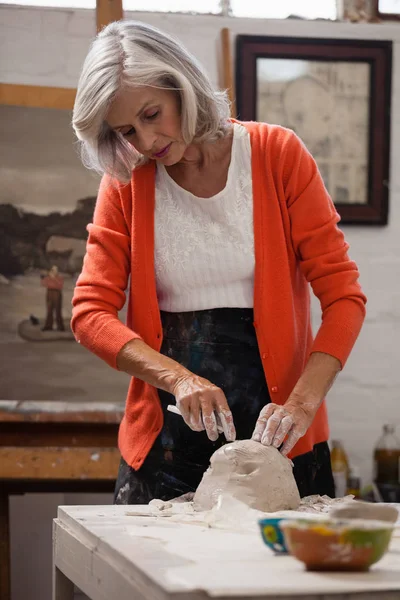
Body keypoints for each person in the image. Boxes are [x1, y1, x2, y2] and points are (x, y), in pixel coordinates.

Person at [71, 21, 366, 504]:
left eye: (152, 114)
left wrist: (302, 404)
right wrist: (180, 379)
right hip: (165, 446)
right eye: (127, 130)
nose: (145, 142)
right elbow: (89, 316)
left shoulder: (277, 155)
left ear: (181, 85)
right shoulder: (127, 181)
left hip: (281, 436)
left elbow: (345, 298)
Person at [41, 265, 65, 331]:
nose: (55, 271)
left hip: (57, 295)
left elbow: (60, 286)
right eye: (53, 270)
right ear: (51, 270)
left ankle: (60, 327)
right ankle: (48, 326)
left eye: (56, 270)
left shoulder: (60, 278)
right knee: (49, 311)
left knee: (58, 311)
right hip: (49, 294)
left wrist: (53, 280)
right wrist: (47, 277)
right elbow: (43, 283)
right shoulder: (48, 277)